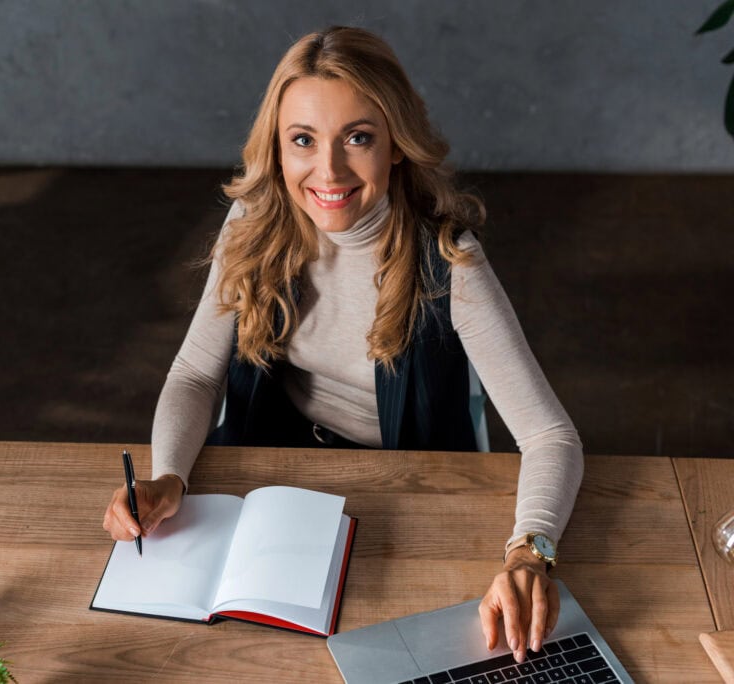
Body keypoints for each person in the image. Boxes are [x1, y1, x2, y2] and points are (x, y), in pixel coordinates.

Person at [102, 26, 583, 665]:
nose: (327, 171)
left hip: (405, 488)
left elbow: (552, 438)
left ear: (396, 147)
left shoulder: (449, 262)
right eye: (303, 140)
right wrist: (168, 476)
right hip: (279, 476)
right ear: (277, 148)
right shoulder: (252, 226)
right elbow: (195, 372)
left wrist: (531, 554)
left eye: (357, 138)